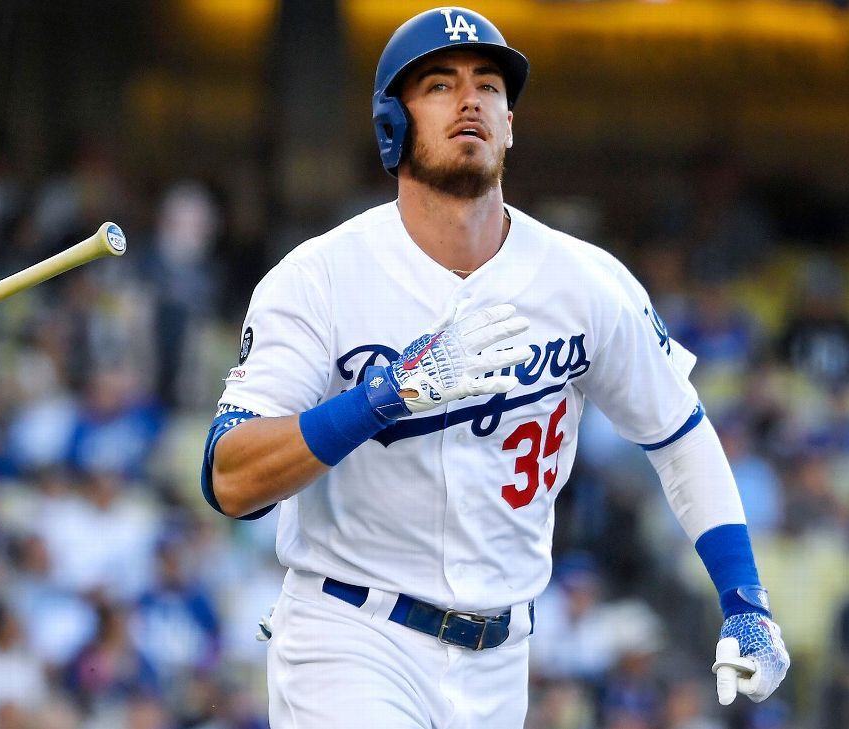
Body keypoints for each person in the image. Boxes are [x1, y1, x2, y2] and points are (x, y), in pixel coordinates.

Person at [200, 7, 790, 728]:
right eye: (439, 85)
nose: (470, 100)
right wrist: (378, 399)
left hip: (503, 657)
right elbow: (230, 478)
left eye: (488, 85)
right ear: (392, 124)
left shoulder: (585, 281)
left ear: (510, 123)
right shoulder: (319, 277)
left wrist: (744, 599)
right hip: (351, 635)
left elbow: (679, 433)